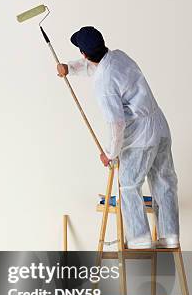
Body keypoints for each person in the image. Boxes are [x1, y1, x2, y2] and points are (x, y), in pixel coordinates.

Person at [56, 26, 179, 249]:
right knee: (164, 181)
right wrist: (68, 68)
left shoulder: (104, 84)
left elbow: (116, 123)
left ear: (84, 53)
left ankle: (139, 238)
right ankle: (169, 236)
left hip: (141, 135)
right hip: (160, 126)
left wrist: (110, 154)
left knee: (130, 184)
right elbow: (96, 66)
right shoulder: (118, 56)